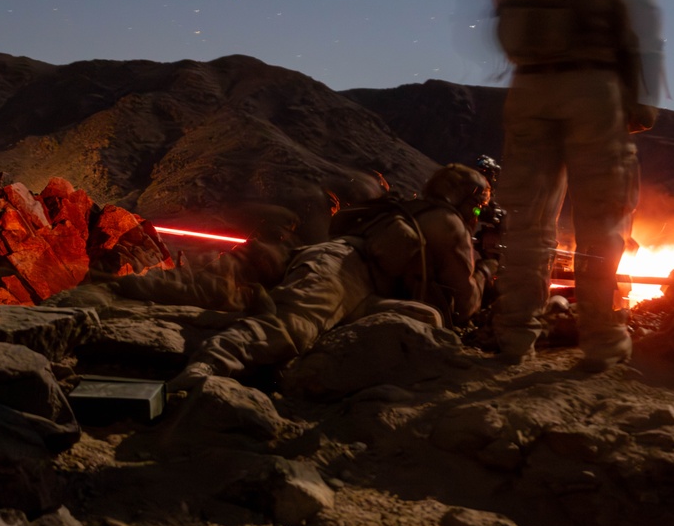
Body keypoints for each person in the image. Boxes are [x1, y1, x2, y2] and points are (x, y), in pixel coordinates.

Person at [485, 0, 665, 370]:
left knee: (528, 221)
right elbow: (640, 30)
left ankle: (516, 336)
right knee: (602, 220)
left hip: (528, 88)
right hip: (592, 88)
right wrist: (641, 99)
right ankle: (603, 340)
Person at [170, 163, 499, 388]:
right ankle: (209, 364)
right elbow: (466, 303)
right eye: (477, 207)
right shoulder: (446, 222)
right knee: (292, 326)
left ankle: (298, 367)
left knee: (425, 319)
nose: (477, 215)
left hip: (360, 285)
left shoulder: (417, 211)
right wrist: (486, 269)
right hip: (343, 270)